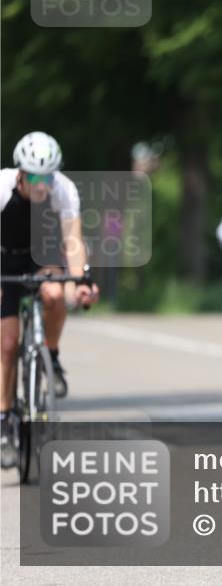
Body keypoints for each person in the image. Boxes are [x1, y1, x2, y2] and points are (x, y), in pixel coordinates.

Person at [1, 132, 100, 469]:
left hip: (38, 256)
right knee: (8, 341)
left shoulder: (63, 189)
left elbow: (72, 240)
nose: (41, 184)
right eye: (33, 177)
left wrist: (82, 282)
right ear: (20, 174)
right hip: (2, 260)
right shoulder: (1, 189)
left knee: (56, 293)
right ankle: (3, 418)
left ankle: (52, 355)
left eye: (47, 176)